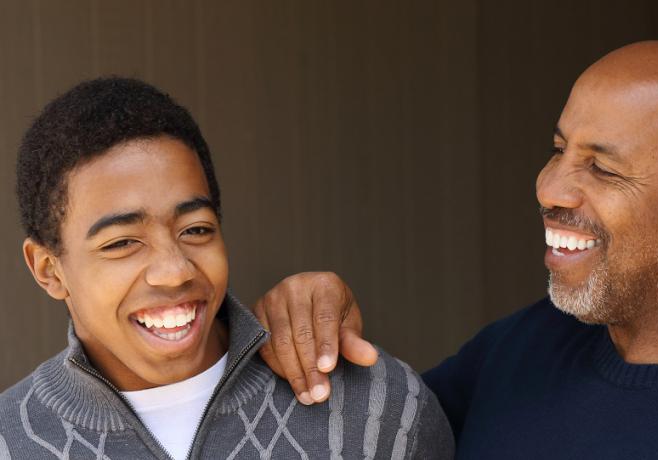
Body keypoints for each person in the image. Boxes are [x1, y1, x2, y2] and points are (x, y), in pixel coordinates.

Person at [252, 41, 658, 458]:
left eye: (603, 168)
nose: (549, 188)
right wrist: (315, 324)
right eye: (558, 148)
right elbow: (375, 437)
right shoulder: (530, 342)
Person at [0, 77, 453, 459]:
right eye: (122, 243)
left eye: (195, 229)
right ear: (48, 269)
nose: (175, 271)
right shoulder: (11, 442)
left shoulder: (375, 411)